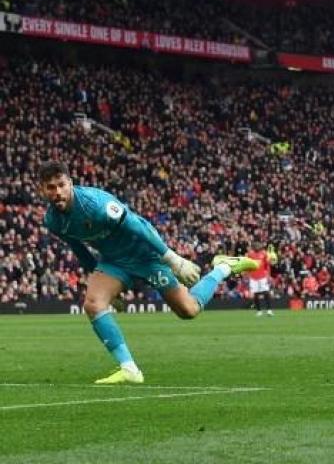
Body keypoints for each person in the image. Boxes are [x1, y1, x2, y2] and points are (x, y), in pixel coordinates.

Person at [38, 161, 260, 384]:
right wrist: (100, 282)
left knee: (188, 310)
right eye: (51, 187)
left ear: (71, 184)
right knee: (94, 304)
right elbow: (79, 248)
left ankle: (224, 268)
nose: (57, 192)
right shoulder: (52, 220)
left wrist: (172, 259)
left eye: (61, 185)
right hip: (114, 261)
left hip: (145, 254)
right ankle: (130, 369)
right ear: (42, 190)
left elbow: (137, 225)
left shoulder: (95, 204)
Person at [246, 241, 274, 316]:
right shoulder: (250, 255)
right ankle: (259, 311)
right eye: (255, 246)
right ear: (253, 247)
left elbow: (267, 265)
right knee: (255, 294)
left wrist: (268, 275)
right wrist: (248, 274)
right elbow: (247, 265)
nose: (257, 247)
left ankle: (269, 310)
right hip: (253, 277)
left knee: (266, 292)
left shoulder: (264, 254)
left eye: (258, 246)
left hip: (262, 276)